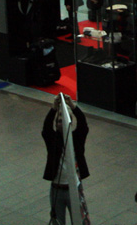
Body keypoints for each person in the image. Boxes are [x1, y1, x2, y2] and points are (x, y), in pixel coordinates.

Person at [42, 95, 89, 225]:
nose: (60, 124)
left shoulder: (76, 138)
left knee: (78, 221)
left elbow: (83, 124)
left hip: (73, 189)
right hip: (56, 189)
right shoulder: (53, 140)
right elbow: (46, 129)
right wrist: (53, 109)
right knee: (57, 221)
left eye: (63, 121)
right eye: (58, 121)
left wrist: (73, 106)